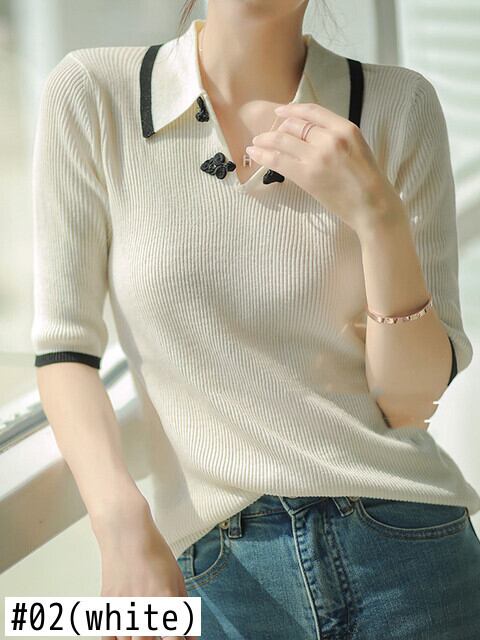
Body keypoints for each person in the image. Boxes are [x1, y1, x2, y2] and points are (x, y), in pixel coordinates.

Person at [31, 0, 480, 638]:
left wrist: (376, 214)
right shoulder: (93, 93)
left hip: (409, 553)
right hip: (217, 575)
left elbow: (409, 402)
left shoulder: (399, 104)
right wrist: (120, 524)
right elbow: (64, 350)